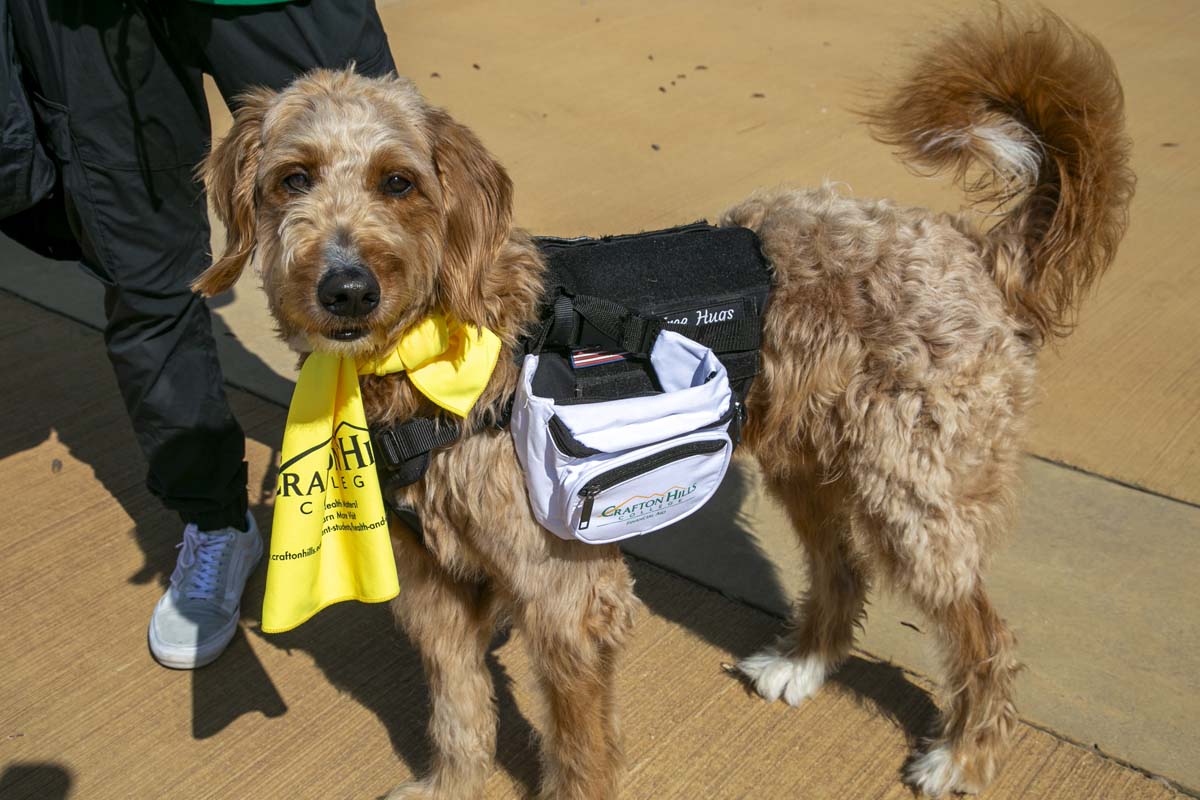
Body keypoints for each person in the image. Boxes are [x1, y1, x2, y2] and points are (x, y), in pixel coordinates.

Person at [2, 0, 396, 668]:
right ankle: (214, 521)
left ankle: (429, 492)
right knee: (147, 277)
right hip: (87, 19)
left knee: (389, 222)